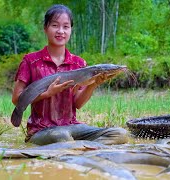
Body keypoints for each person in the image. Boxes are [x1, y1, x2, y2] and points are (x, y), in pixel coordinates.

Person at [12, 4, 128, 146]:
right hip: (42, 131)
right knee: (61, 136)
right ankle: (81, 148)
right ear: (45, 28)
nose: (61, 31)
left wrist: (94, 83)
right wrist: (47, 94)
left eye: (66, 27)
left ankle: (84, 148)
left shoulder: (78, 63)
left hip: (72, 127)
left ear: (71, 30)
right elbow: (17, 99)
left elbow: (78, 103)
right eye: (55, 25)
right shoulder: (31, 61)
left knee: (120, 134)